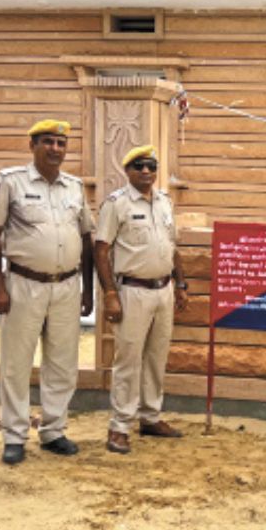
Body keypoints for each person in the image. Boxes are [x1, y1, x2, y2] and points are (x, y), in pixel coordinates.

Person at [0, 119, 95, 465]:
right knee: (17, 363)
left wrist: (87, 290)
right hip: (23, 285)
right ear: (32, 145)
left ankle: (54, 431)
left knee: (62, 362)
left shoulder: (74, 187)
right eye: (47, 141)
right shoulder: (11, 182)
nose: (55, 149)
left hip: (66, 286)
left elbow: (87, 238)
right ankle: (14, 435)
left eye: (61, 143)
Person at [94, 145, 189, 455]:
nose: (146, 171)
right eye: (139, 166)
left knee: (156, 358)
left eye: (151, 166)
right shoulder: (116, 204)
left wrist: (181, 283)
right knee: (128, 360)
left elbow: (172, 246)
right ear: (127, 171)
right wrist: (110, 294)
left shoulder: (164, 202)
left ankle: (150, 417)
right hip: (132, 291)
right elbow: (101, 250)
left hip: (163, 290)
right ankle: (119, 426)